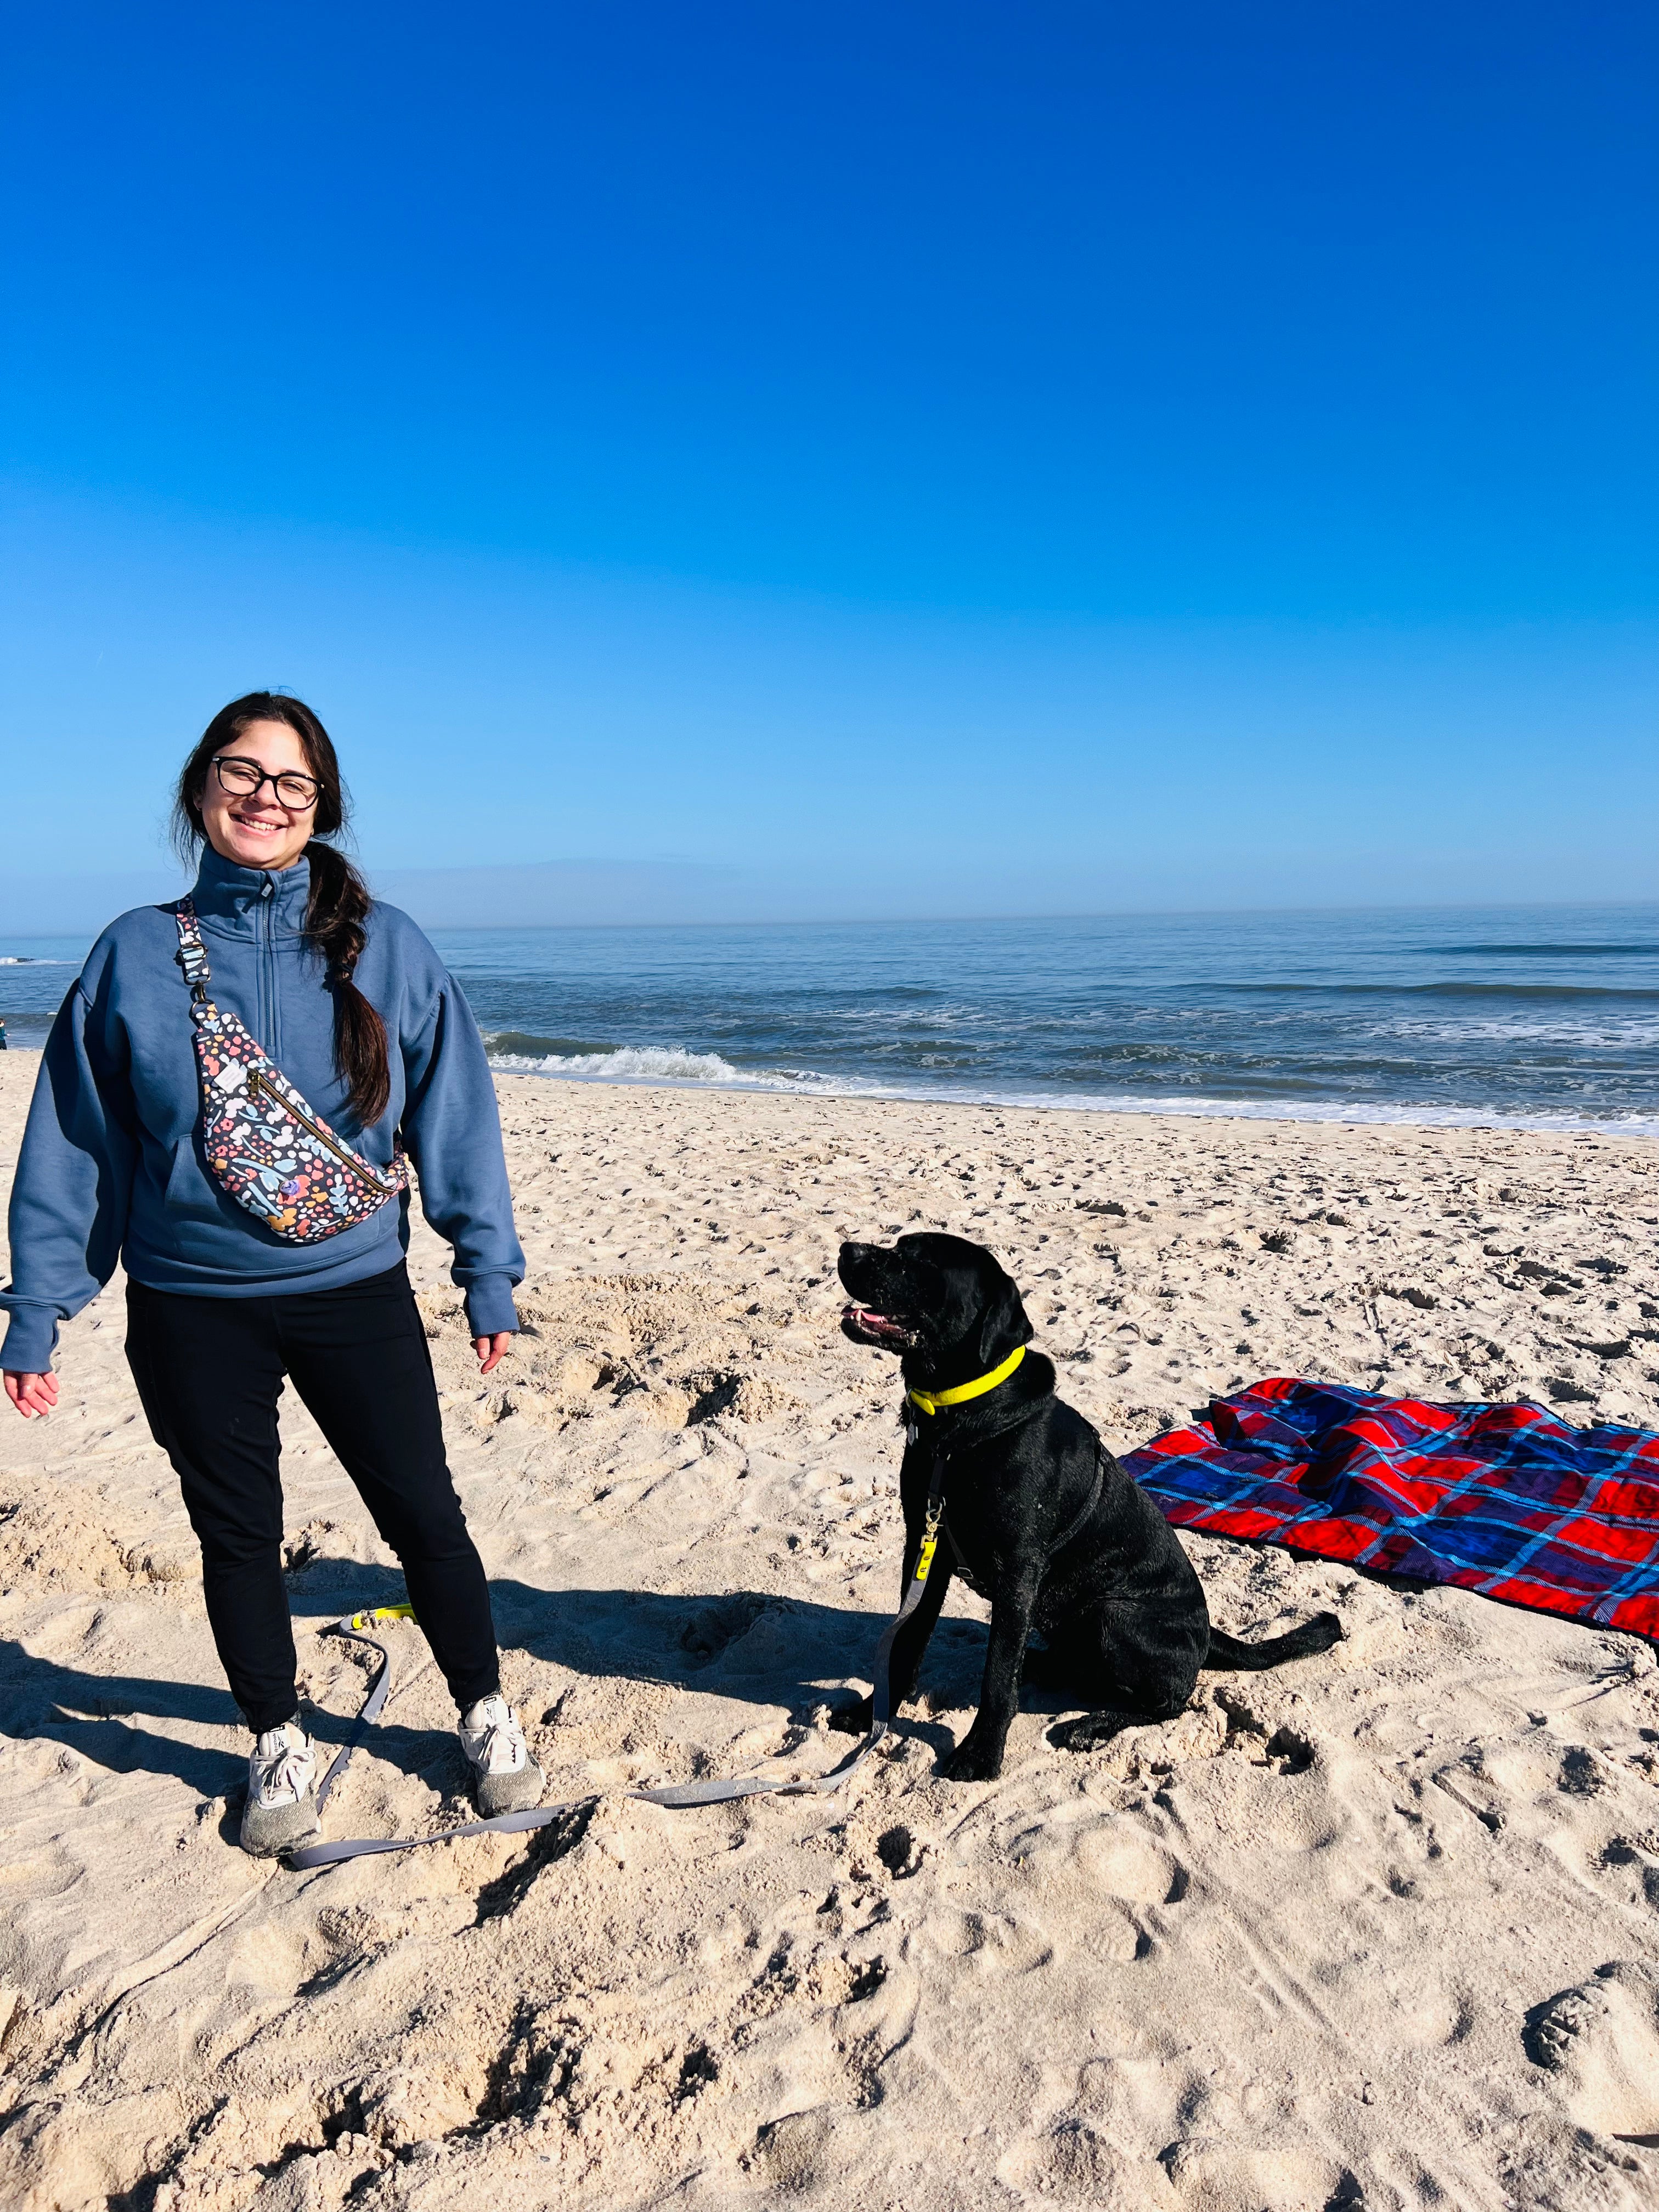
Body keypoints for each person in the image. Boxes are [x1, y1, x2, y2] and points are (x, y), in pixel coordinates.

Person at [1, 692, 543, 1854]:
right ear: (200, 790)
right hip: (193, 1305)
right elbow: (79, 1143)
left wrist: (484, 1269)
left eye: (290, 783)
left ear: (321, 806)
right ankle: (272, 1735)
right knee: (236, 1531)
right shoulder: (132, 953)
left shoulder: (385, 942)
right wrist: (38, 1307)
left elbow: (455, 1112)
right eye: (241, 774)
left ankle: (483, 1707)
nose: (263, 797)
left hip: (354, 1291)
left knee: (421, 1513)